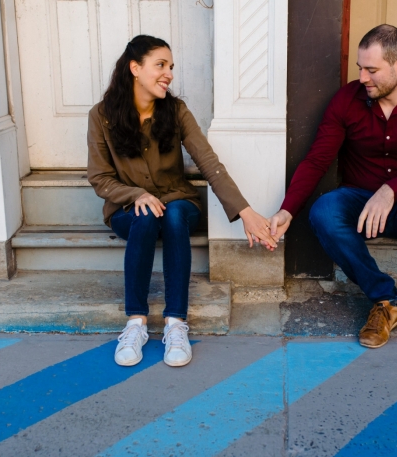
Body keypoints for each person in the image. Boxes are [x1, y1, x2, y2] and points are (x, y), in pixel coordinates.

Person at [266, 25, 397, 352]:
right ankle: (387, 301)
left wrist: (391, 190)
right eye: (360, 68)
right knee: (325, 211)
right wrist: (287, 209)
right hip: (363, 209)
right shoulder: (348, 99)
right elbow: (318, 160)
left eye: (371, 70)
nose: (362, 77)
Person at [88, 35, 276, 367]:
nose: (169, 74)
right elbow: (100, 178)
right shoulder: (101, 116)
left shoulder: (175, 110)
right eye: (160, 65)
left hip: (178, 200)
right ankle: (136, 323)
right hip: (128, 208)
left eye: (171, 67)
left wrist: (245, 212)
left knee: (173, 215)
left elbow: (209, 163)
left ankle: (176, 324)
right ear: (135, 68)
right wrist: (136, 194)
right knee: (144, 215)